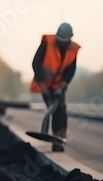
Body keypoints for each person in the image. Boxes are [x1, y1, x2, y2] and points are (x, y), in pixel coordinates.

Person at [30, 22, 81, 152]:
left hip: (59, 86)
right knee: (54, 108)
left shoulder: (72, 50)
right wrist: (43, 85)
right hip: (45, 85)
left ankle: (58, 139)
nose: (61, 43)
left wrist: (62, 87)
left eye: (64, 41)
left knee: (61, 109)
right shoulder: (47, 43)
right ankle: (56, 138)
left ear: (69, 39)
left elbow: (71, 70)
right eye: (60, 41)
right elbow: (36, 63)